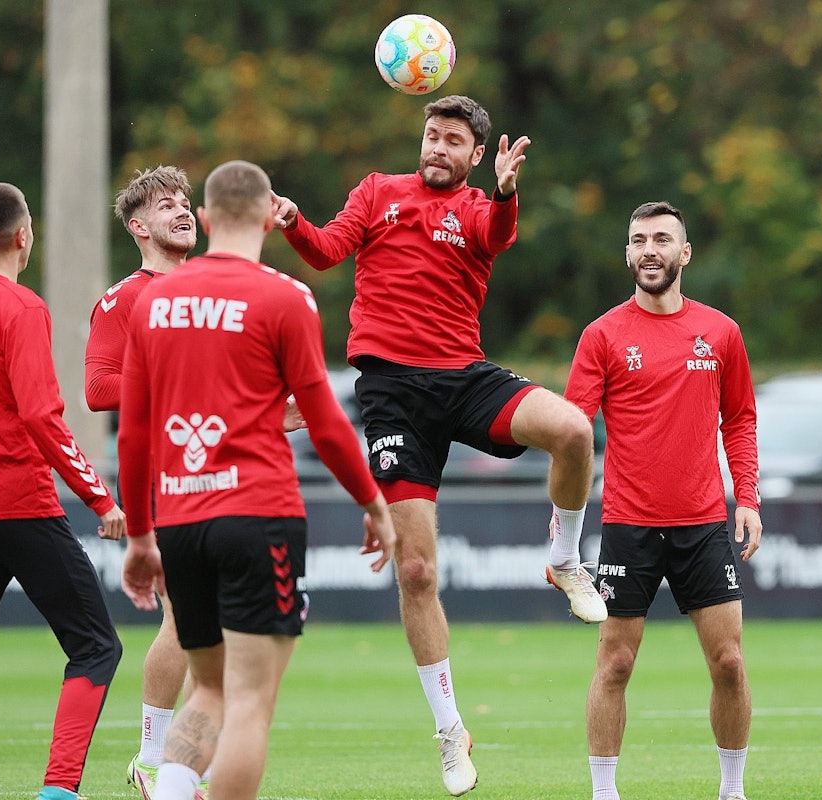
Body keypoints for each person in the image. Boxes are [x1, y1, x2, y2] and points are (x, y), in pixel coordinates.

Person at [271, 93, 605, 796]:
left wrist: (509, 192)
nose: (437, 148)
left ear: (476, 156)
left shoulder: (482, 207)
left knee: (573, 429)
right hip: (392, 393)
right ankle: (451, 732)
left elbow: (499, 234)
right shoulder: (377, 192)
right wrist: (292, 220)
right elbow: (327, 252)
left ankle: (565, 557)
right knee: (416, 570)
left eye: (453, 140)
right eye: (431, 135)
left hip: (462, 378)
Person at [118, 159, 396, 800]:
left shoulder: (152, 302)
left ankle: (169, 792)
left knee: (209, 689)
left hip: (181, 520)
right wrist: (373, 501)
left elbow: (134, 434)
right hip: (259, 516)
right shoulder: (284, 297)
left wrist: (140, 537)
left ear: (209, 220)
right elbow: (325, 422)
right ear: (273, 217)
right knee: (248, 702)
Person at [565, 201, 762, 800]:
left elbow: (741, 418)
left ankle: (732, 790)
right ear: (626, 254)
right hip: (628, 523)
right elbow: (573, 434)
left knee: (729, 662)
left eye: (661, 239)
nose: (649, 249)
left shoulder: (721, 331)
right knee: (615, 665)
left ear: (685, 253)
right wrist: (562, 530)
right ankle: (604, 794)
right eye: (638, 240)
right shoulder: (602, 334)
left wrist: (746, 496)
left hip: (703, 523)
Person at [0, 182, 126, 800]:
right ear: (24, 236)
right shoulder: (21, 307)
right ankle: (56, 793)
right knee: (95, 647)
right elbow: (41, 416)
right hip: (20, 505)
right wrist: (101, 499)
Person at [84, 165, 207, 800]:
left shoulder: (216, 291)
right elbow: (99, 385)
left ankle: (174, 762)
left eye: (186, 203)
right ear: (139, 227)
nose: (182, 211)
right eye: (166, 206)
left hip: (221, 470)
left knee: (212, 622)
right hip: (166, 471)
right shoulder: (125, 297)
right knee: (185, 616)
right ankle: (156, 759)